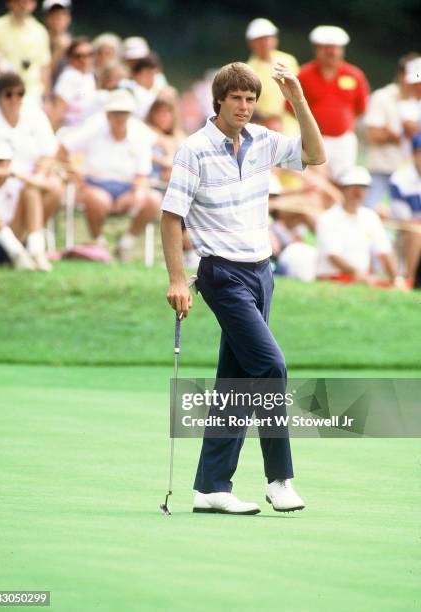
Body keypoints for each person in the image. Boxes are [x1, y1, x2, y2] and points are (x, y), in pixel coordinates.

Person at [161, 61, 326, 515]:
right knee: (271, 366)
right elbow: (171, 217)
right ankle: (279, 479)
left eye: (251, 99)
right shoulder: (193, 150)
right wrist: (178, 278)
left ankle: (212, 486)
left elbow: (314, 156)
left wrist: (297, 99)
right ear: (219, 100)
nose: (245, 106)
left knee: (237, 380)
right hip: (222, 274)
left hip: (261, 272)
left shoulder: (264, 142)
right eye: (237, 98)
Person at [58, 89, 161, 260]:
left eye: (124, 113)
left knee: (153, 200)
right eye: (116, 113)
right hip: (95, 186)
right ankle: (99, 243)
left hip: (127, 189)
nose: (120, 118)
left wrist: (138, 194)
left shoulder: (140, 133)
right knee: (98, 199)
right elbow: (64, 147)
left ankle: (126, 243)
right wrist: (76, 179)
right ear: (107, 115)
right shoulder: (94, 126)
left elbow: (142, 176)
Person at [296, 25, 369, 181]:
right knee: (316, 183)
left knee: (344, 181)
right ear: (317, 49)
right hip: (313, 139)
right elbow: (291, 107)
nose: (332, 53)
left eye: (336, 48)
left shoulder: (354, 75)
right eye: (327, 48)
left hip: (344, 140)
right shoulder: (304, 74)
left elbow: (361, 108)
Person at [316, 166, 403, 287]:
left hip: (361, 279)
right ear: (343, 189)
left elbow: (384, 252)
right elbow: (333, 256)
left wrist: (395, 279)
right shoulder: (327, 218)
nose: (358, 192)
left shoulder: (370, 217)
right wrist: (361, 276)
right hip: (333, 278)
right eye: (354, 187)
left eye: (363, 188)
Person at [0, 142, 52, 271]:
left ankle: (36, 251)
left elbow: (48, 188)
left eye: (2, 161)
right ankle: (16, 253)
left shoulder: (15, 179)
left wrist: (14, 174)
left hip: (16, 236)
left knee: (31, 192)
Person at [363, 54, 419, 210]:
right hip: (381, 170)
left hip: (411, 174)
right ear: (402, 75)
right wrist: (399, 133)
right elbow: (373, 135)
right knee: (371, 213)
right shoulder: (383, 97)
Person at [0, 0, 51, 102]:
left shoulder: (40, 31)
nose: (23, 4)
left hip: (31, 93)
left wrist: (46, 98)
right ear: (10, 3)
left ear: (34, 4)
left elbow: (44, 67)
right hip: (1, 94)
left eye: (28, 1)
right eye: (19, 1)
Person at [246, 17, 299, 136]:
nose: (265, 43)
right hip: (262, 127)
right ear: (251, 43)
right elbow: (247, 103)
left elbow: (300, 91)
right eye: (260, 39)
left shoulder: (289, 61)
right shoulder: (248, 70)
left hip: (291, 125)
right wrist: (266, 119)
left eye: (268, 38)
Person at [389, 133, 421, 284]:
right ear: (415, 154)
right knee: (416, 231)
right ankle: (409, 280)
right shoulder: (400, 178)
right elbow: (405, 220)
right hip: (406, 235)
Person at [50, 37, 96, 129]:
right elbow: (58, 109)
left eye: (89, 55)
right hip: (69, 131)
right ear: (69, 59)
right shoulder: (69, 76)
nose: (84, 60)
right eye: (79, 56)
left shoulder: (89, 75)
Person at [43, 0, 72, 88]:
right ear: (47, 18)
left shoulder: (76, 45)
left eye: (61, 15)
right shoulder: (39, 41)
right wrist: (58, 51)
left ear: (68, 18)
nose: (57, 20)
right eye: (53, 16)